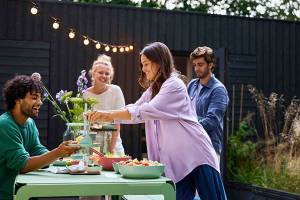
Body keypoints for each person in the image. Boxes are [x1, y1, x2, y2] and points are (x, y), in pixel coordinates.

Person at [86, 42, 227, 200]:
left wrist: (107, 115)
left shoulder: (174, 85)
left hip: (197, 154)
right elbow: (135, 107)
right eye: (142, 65)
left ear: (159, 62)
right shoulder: (155, 88)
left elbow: (143, 111)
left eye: (146, 64)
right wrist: (105, 115)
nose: (144, 69)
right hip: (177, 161)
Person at [0, 74, 80, 200]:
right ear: (17, 99)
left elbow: (38, 150)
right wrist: (58, 152)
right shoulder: (4, 125)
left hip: (24, 192)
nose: (40, 102)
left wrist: (64, 160)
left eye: (40, 98)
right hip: (8, 195)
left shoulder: (29, 123)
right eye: (34, 98)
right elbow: (23, 165)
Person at [187, 46, 229, 163]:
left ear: (210, 65)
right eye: (194, 65)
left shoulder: (218, 90)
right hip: (190, 146)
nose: (196, 68)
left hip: (208, 147)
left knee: (207, 182)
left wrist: (188, 126)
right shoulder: (192, 85)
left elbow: (212, 121)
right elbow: (184, 111)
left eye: (200, 64)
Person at [83, 54, 125, 154]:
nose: (104, 76)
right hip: (92, 143)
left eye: (107, 73)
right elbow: (84, 122)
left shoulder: (116, 90)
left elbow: (117, 121)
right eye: (100, 72)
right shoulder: (85, 94)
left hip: (112, 142)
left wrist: (111, 149)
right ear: (93, 74)